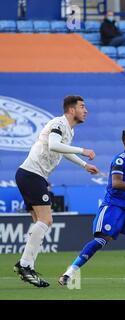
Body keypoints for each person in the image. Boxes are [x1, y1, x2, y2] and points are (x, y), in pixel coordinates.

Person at [13, 96, 99, 288]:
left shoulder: (69, 131)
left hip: (32, 175)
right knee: (46, 220)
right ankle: (25, 265)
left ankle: (27, 266)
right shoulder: (58, 123)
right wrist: (84, 151)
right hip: (31, 174)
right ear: (71, 109)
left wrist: (84, 164)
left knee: (39, 223)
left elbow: (63, 150)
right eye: (82, 107)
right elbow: (53, 144)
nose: (86, 111)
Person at [59, 128, 125, 286]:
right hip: (112, 208)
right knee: (101, 241)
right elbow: (116, 183)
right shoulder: (120, 160)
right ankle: (69, 273)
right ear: (124, 142)